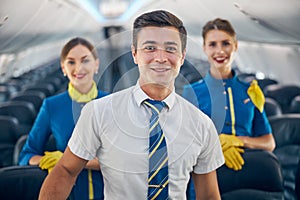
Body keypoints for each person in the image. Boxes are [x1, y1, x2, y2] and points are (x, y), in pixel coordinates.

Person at [38, 10, 224, 200]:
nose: (160, 58)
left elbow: (208, 195)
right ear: (134, 54)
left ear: (182, 56)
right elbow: (66, 171)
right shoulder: (98, 112)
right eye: (150, 48)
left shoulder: (202, 124)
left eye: (170, 49)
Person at [182, 18, 276, 198]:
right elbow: (185, 148)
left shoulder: (251, 92)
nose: (219, 51)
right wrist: (215, 145)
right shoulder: (190, 93)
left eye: (225, 43)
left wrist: (239, 141)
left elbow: (269, 143)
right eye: (212, 44)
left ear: (235, 46)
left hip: (248, 177)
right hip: (205, 181)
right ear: (204, 48)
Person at [19, 37, 108, 199]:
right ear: (63, 68)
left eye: (85, 61)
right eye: (71, 62)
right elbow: (27, 155)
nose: (78, 68)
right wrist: (48, 160)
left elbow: (122, 160)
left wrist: (66, 161)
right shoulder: (52, 106)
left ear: (96, 64)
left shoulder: (112, 103)